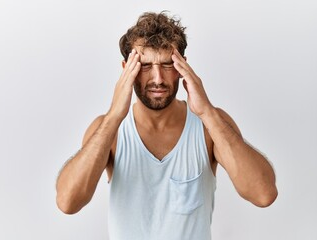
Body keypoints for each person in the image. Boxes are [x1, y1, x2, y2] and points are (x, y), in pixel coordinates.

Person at [56, 11, 278, 240]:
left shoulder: (209, 126)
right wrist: (114, 116)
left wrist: (207, 112)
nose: (158, 78)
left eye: (167, 64)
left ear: (183, 66)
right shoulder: (108, 130)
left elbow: (264, 194)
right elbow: (67, 202)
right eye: (144, 65)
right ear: (126, 69)